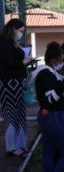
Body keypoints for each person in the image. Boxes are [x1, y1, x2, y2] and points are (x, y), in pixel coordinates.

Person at [32, 41, 64, 172]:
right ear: (54, 61)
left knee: (49, 152)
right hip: (53, 117)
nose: (63, 64)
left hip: (48, 116)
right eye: (61, 61)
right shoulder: (46, 74)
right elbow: (51, 99)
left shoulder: (48, 73)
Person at [0, 19, 33, 157]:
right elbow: (7, 62)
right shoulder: (4, 42)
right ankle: (12, 147)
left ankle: (20, 144)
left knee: (19, 113)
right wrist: (24, 61)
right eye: (20, 31)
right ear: (13, 28)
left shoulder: (12, 43)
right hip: (8, 84)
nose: (20, 33)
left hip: (16, 82)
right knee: (11, 114)